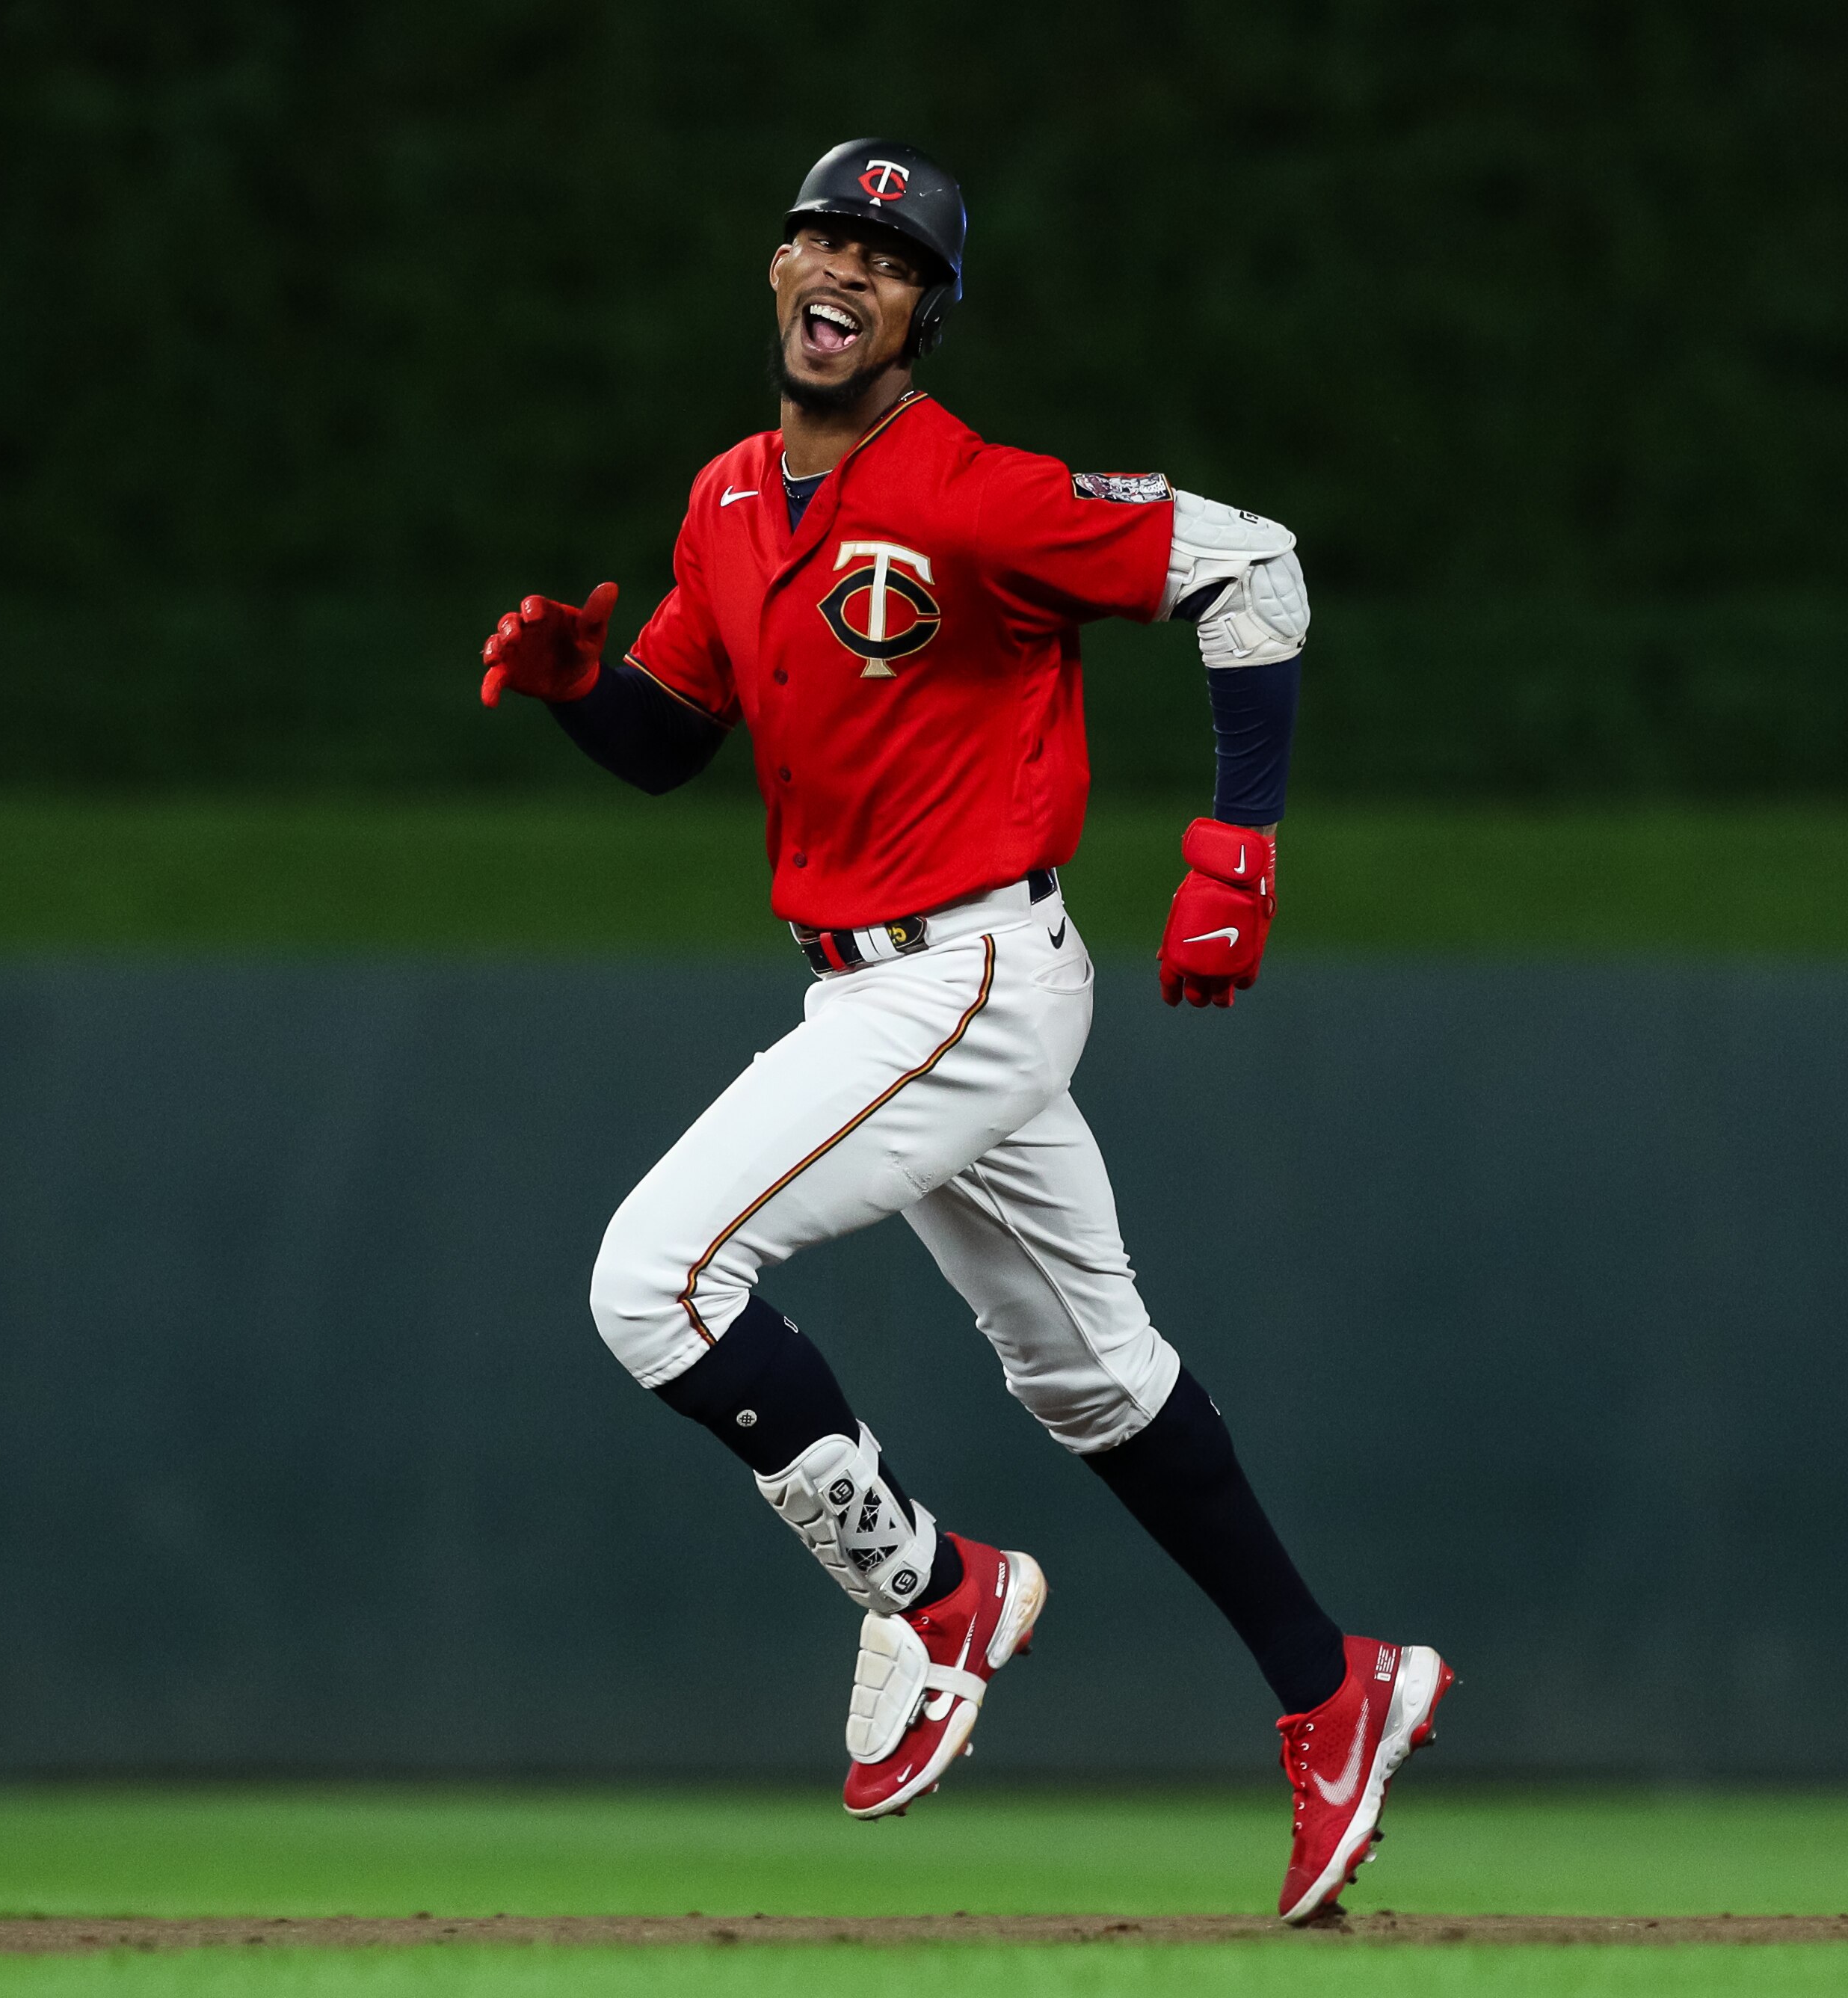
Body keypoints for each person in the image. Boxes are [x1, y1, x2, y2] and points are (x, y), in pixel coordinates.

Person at [478, 138, 1448, 1923]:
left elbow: (1257, 569)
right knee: (1096, 1378)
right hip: (873, 980)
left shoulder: (982, 495)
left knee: (652, 1279)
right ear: (776, 271)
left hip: (970, 973)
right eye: (823, 234)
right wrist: (573, 694)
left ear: (922, 315)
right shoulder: (723, 503)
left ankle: (936, 1592)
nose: (847, 264)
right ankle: (1337, 1689)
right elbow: (673, 736)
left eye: (891, 252)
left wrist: (1241, 838)